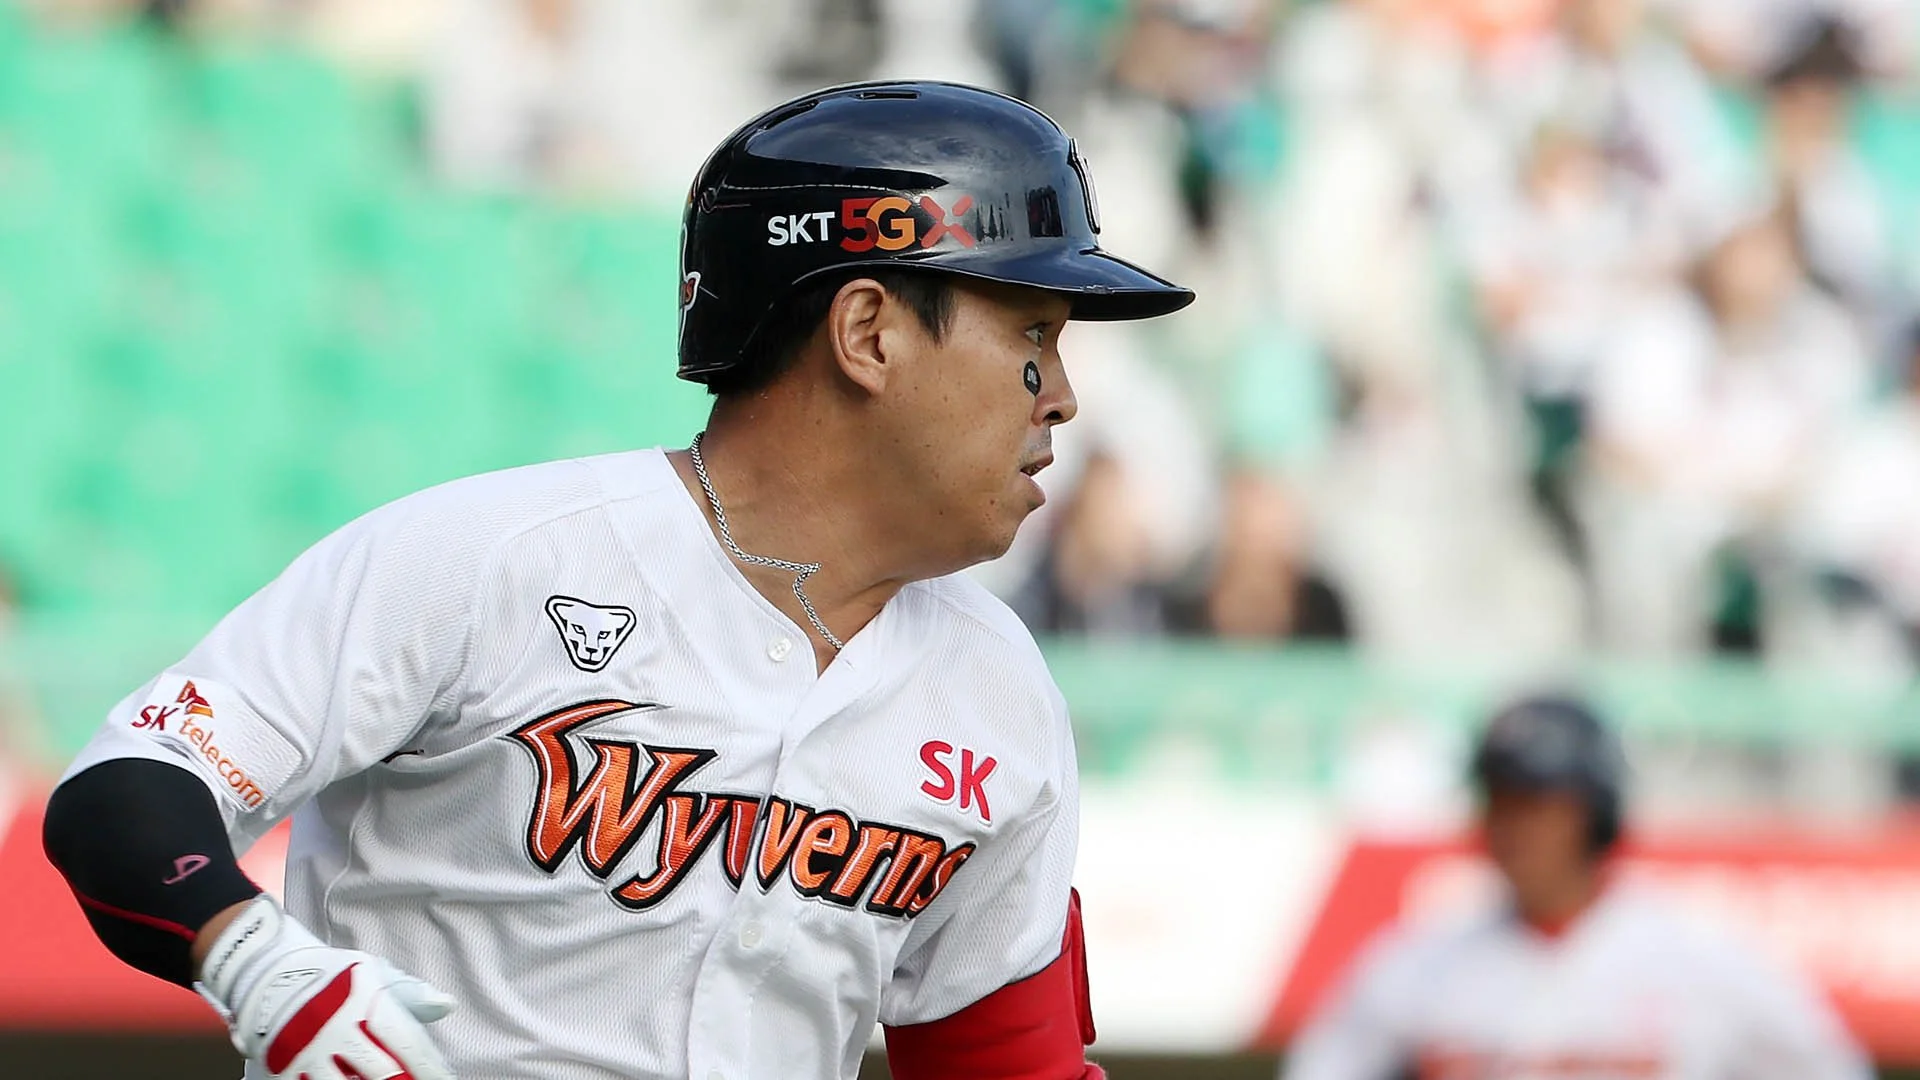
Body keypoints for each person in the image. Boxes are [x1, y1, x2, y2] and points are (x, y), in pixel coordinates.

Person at [42, 81, 1192, 1080]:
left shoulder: (998, 691)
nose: (1060, 398)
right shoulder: (491, 557)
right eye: (1034, 336)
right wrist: (255, 958)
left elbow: (1006, 1063)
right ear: (868, 334)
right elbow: (128, 785)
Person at [1281, 695, 1870, 1080]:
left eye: (1538, 805)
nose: (1515, 828)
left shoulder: (1702, 961)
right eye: (1501, 803)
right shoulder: (1416, 965)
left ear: (1595, 813)